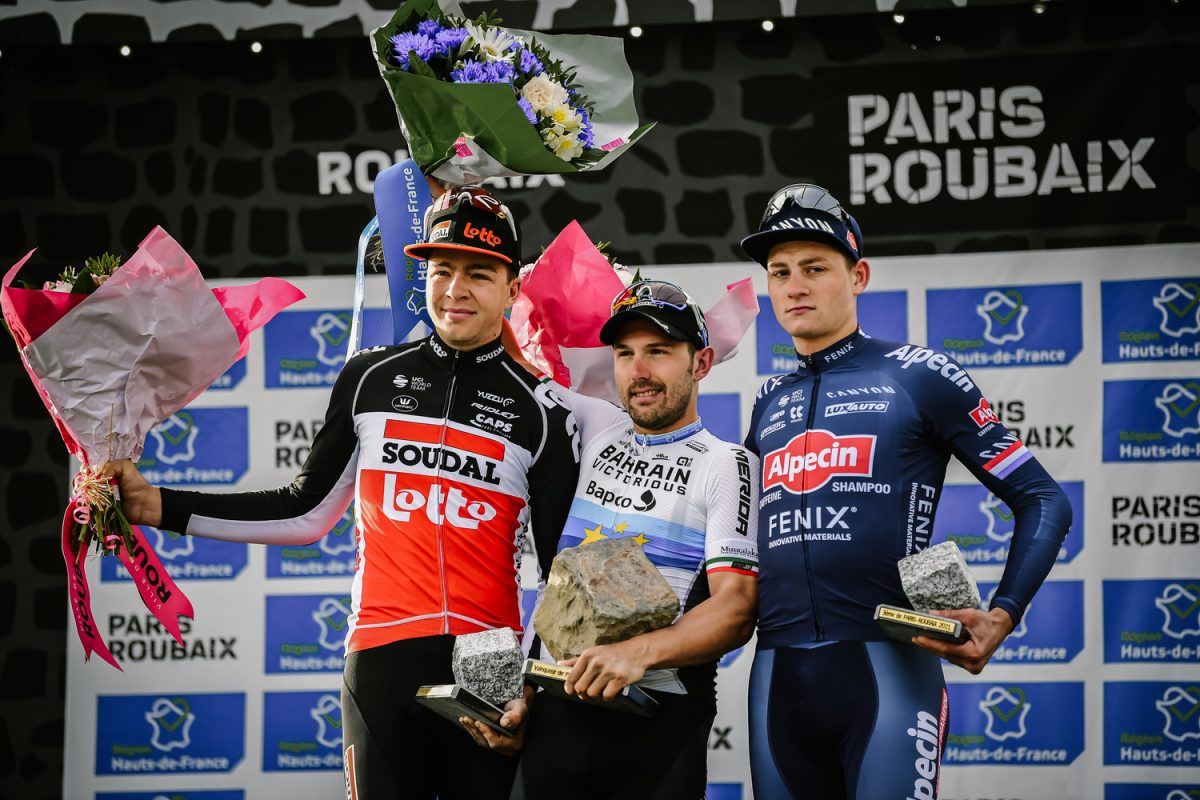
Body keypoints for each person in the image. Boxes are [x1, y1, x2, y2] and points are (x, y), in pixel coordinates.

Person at [104, 187, 581, 800]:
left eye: (479, 274)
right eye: (442, 270)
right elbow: (304, 511)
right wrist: (155, 505)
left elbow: (559, 575)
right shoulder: (369, 377)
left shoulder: (543, 410)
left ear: (513, 289)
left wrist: (531, 688)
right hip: (381, 650)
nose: (455, 289)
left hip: (487, 659)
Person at [739, 184, 1072, 800]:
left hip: (887, 666)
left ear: (858, 276)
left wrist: (1004, 614)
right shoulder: (768, 401)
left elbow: (1044, 499)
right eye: (779, 272)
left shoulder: (919, 374)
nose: (794, 286)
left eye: (815, 268)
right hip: (776, 671)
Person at [470, 279, 759, 799]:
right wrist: (523, 694)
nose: (638, 370)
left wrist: (637, 653)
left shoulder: (725, 463)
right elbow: (507, 357)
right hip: (553, 719)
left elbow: (735, 609)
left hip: (657, 726)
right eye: (625, 353)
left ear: (701, 362)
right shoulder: (597, 427)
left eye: (659, 351)